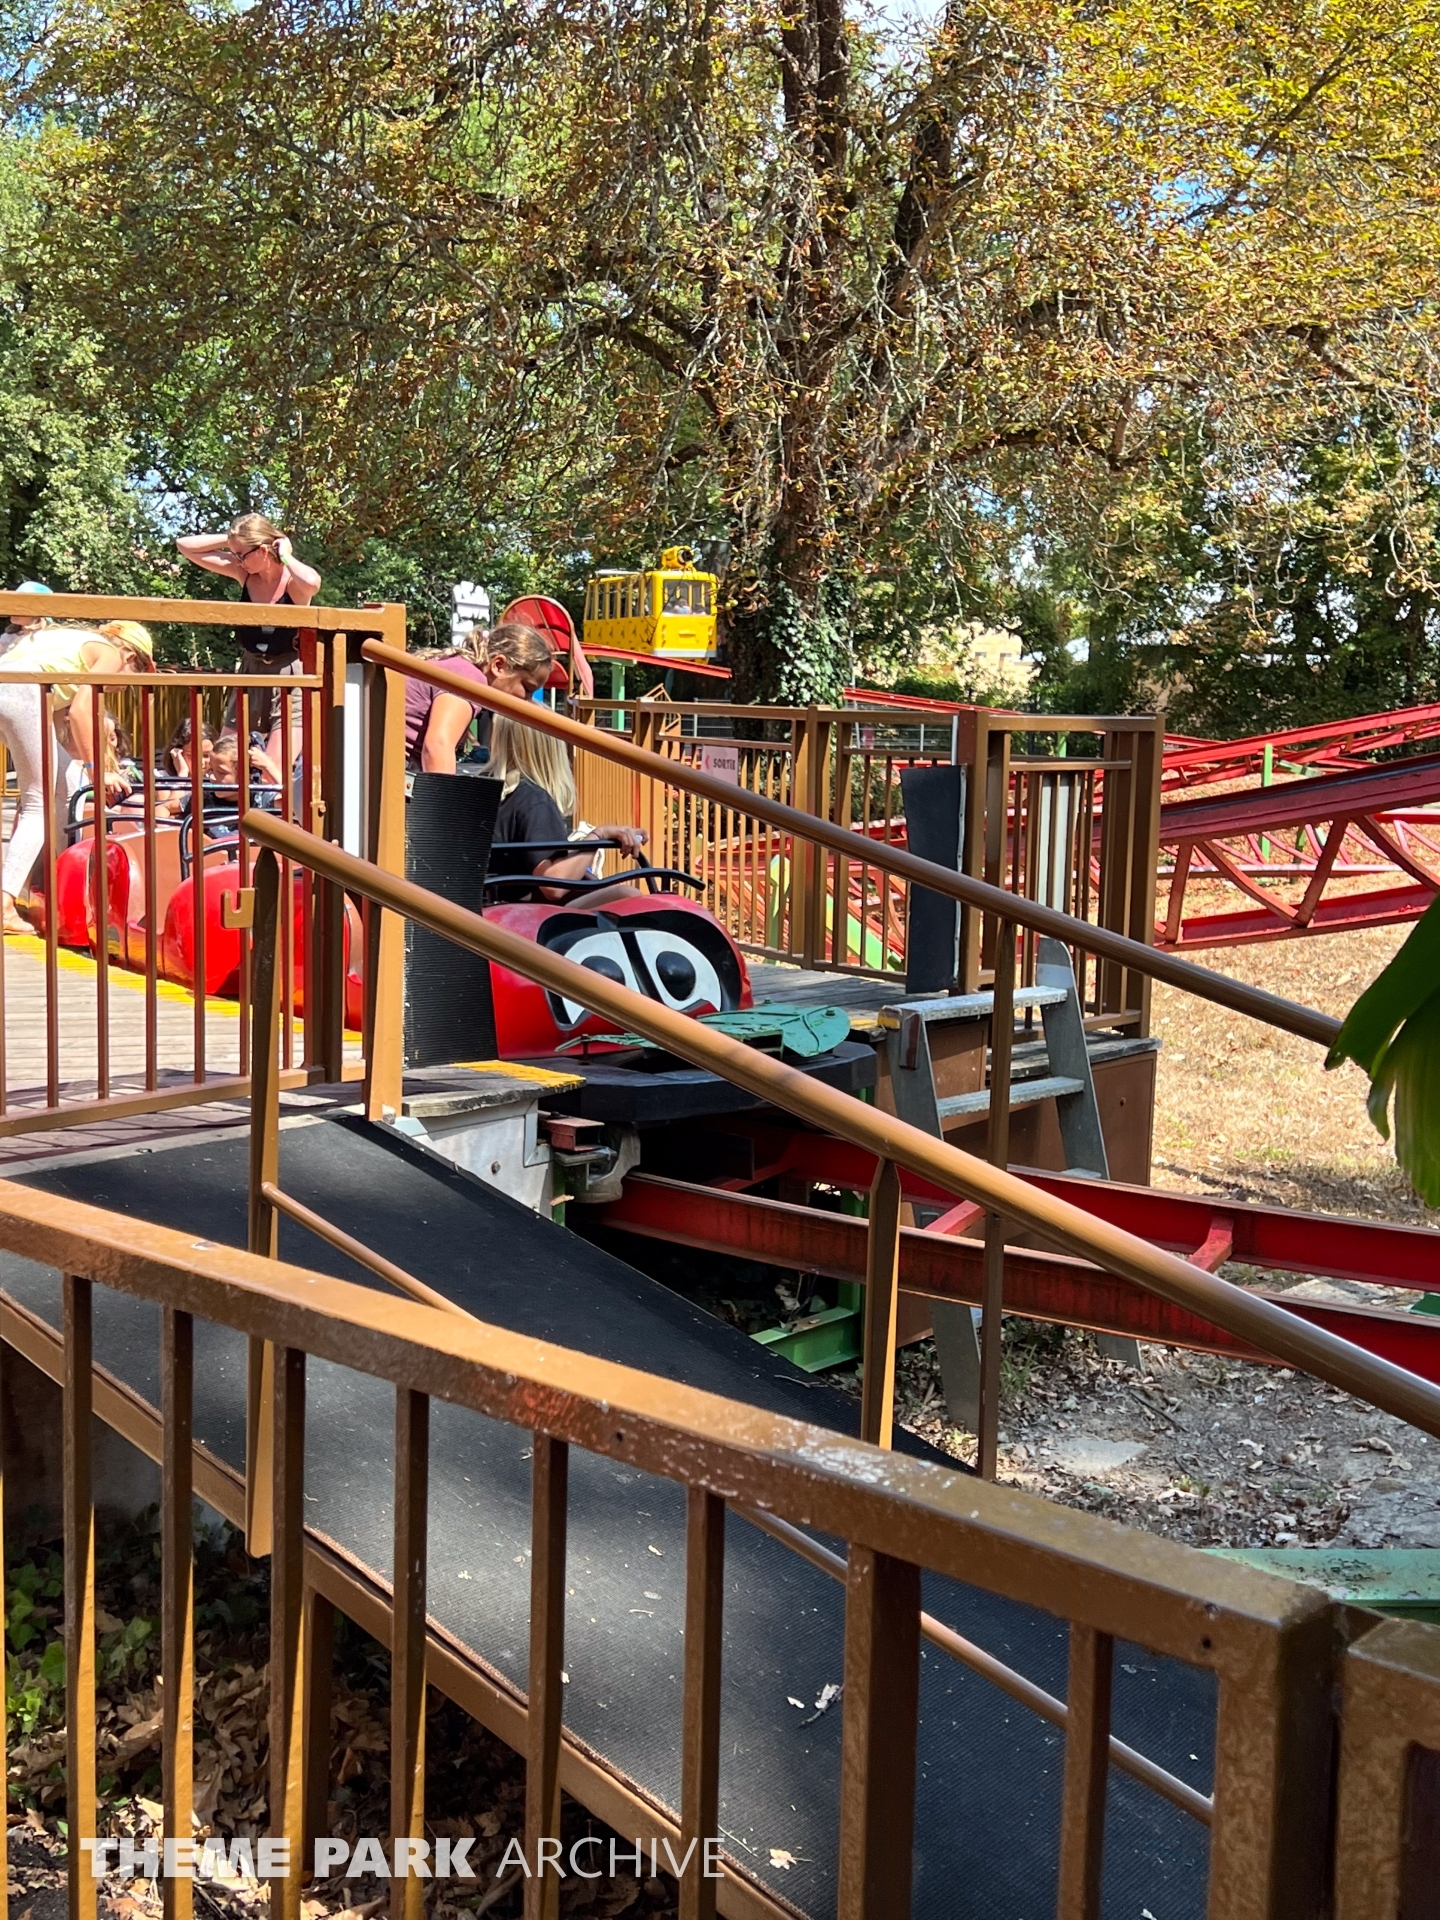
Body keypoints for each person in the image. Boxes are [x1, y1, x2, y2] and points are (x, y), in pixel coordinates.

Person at [0, 620, 155, 932]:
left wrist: (84, 769)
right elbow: (80, 711)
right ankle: (4, 904)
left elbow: (57, 718)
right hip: (22, 693)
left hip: (11, 687)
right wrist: (98, 771)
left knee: (68, 780)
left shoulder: (70, 647)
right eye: (133, 676)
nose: (124, 687)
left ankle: (56, 884)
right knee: (38, 805)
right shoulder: (110, 653)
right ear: (129, 657)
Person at [176, 514, 320, 758]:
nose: (238, 561)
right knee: (225, 757)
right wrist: (232, 540)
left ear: (263, 550)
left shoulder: (293, 581)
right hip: (250, 670)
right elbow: (184, 546)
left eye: (241, 554)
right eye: (235, 554)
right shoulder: (244, 573)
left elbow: (312, 583)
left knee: (274, 767)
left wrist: (285, 554)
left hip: (290, 673)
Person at [486, 713, 648, 905]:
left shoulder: (488, 788)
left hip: (479, 906)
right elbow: (554, 886)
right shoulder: (533, 801)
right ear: (550, 748)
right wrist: (598, 836)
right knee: (627, 895)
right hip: (515, 914)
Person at [405, 623, 556, 774]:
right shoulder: (469, 679)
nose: (527, 700)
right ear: (498, 666)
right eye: (527, 688)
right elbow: (438, 745)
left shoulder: (459, 667)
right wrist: (444, 790)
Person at [2, 581, 54, 653]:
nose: (13, 608)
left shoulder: (49, 638)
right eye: (13, 603)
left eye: (20, 605)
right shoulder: (8, 637)